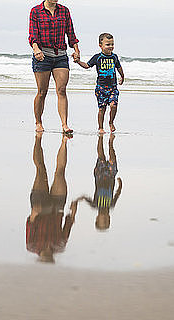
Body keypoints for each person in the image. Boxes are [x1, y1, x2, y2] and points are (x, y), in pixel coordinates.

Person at [28, 0, 81, 134]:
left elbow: (71, 34)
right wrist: (36, 49)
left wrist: (76, 50)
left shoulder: (64, 11)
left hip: (60, 56)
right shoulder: (35, 11)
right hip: (42, 56)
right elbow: (32, 36)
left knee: (62, 90)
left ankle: (64, 125)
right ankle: (38, 122)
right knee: (42, 91)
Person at [26, 133, 80, 263]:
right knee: (60, 173)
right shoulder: (59, 246)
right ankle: (63, 142)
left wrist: (34, 213)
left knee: (40, 170)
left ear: (39, 258)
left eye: (44, 259)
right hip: (57, 207)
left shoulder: (32, 246)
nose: (47, 256)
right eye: (49, 259)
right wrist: (73, 210)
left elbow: (30, 225)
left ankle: (39, 141)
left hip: (41, 208)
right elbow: (68, 225)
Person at [75, 33, 124, 134]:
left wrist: (122, 76)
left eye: (112, 44)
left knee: (114, 105)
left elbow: (119, 67)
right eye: (108, 44)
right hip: (100, 88)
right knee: (102, 109)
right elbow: (87, 66)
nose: (110, 47)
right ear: (100, 45)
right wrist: (78, 61)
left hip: (113, 88)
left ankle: (111, 122)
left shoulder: (114, 57)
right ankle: (100, 127)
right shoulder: (97, 57)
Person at [77, 134, 123, 231]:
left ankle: (100, 139)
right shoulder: (111, 205)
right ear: (109, 218)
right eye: (106, 220)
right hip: (111, 175)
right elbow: (117, 194)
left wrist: (80, 198)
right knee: (112, 159)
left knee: (101, 156)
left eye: (103, 220)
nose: (105, 217)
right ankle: (111, 144)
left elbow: (86, 198)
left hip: (100, 176)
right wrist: (120, 185)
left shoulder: (95, 205)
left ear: (97, 217)